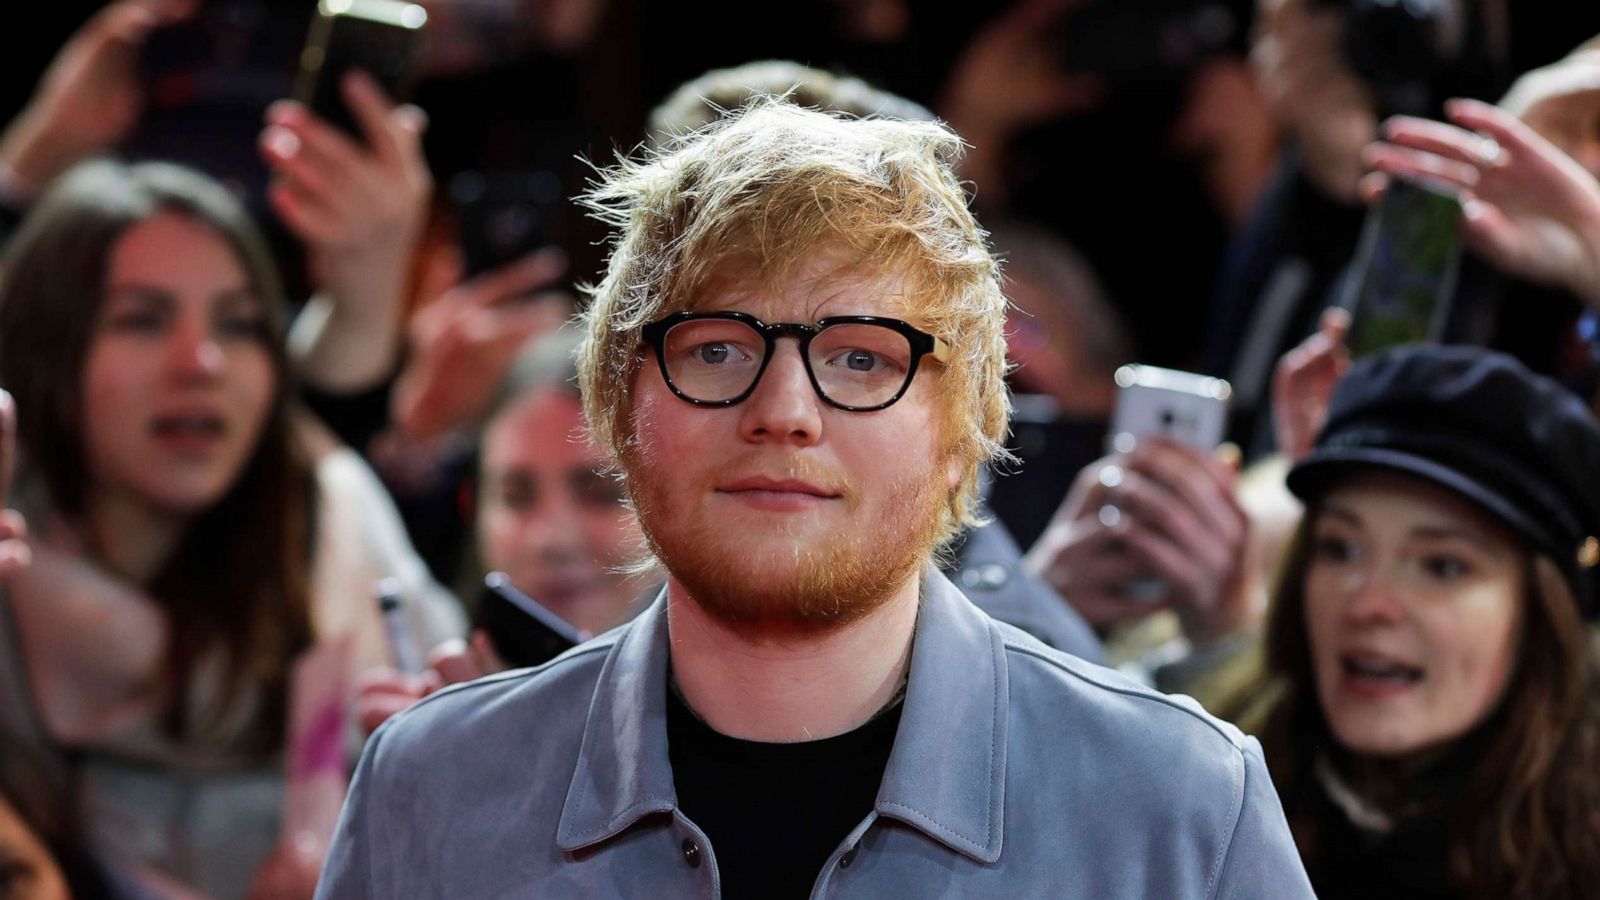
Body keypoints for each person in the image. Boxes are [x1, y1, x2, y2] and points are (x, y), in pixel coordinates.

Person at [316, 99, 1311, 897]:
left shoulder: (1181, 808)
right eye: (715, 350)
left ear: (964, 426)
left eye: (861, 357)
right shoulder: (430, 791)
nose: (784, 411)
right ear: (616, 407)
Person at [0, 160, 460, 899]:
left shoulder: (337, 529)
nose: (203, 363)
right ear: (46, 348)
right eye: (142, 320)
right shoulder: (7, 572)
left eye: (241, 323)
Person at [1243, 345, 1600, 898]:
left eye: (1442, 565)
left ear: (1542, 612)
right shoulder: (1210, 788)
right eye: (1341, 549)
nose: (1368, 605)